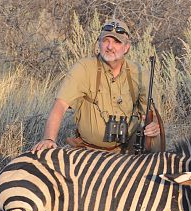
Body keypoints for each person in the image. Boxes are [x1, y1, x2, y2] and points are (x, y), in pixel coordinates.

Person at [32, 18, 161, 153]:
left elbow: (153, 114)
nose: (110, 47)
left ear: (126, 47)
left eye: (117, 42)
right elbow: (60, 106)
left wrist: (155, 124)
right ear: (98, 43)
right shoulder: (84, 68)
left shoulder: (140, 73)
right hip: (89, 150)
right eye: (106, 41)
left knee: (154, 139)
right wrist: (49, 139)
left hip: (126, 148)